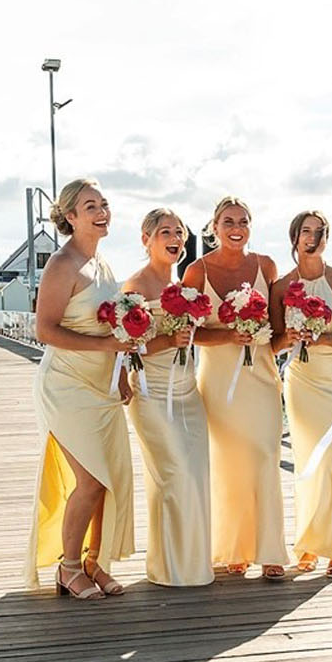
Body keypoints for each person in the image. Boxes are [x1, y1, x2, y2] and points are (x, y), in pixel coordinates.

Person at [24, 178, 133, 600]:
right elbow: (45, 330)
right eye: (91, 206)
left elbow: (116, 325)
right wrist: (106, 344)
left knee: (107, 480)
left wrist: (120, 369)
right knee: (89, 480)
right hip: (67, 385)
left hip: (102, 384)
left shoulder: (102, 264)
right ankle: (68, 568)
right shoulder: (62, 264)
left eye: (104, 203)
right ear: (70, 217)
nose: (102, 212)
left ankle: (95, 561)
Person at [182, 196, 288, 579]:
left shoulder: (266, 266)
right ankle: (234, 549)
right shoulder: (196, 272)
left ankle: (271, 550)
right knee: (227, 465)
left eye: (243, 220)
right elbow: (190, 333)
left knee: (264, 457)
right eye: (228, 221)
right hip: (217, 382)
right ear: (214, 226)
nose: (236, 227)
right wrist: (231, 332)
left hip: (260, 379)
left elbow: (276, 330)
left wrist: (289, 337)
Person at [122, 209, 214, 587]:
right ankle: (168, 568)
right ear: (146, 239)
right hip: (151, 392)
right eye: (165, 232)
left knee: (196, 473)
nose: (174, 237)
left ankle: (193, 564)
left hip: (187, 390)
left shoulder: (185, 286)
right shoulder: (134, 287)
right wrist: (167, 341)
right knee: (173, 472)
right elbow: (126, 346)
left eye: (179, 232)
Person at [273, 210, 332, 577]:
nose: (312, 238)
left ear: (327, 238)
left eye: (319, 232)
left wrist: (321, 337)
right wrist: (291, 338)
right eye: (305, 231)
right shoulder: (280, 287)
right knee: (308, 463)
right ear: (294, 237)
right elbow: (273, 344)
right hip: (302, 381)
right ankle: (309, 544)